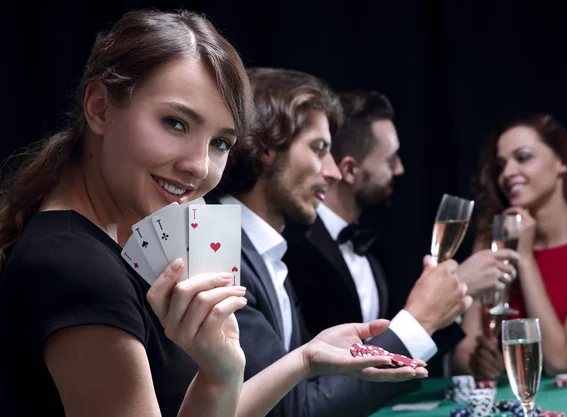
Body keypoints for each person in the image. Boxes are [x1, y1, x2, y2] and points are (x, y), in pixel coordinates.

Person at [0, 10, 427, 417]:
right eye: (176, 123)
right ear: (99, 107)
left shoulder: (99, 243)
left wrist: (302, 361)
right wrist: (220, 375)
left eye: (221, 143)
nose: (200, 167)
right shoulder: (77, 268)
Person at [210, 68, 470, 417]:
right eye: (319, 149)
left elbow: (308, 388)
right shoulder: (217, 250)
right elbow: (292, 410)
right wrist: (418, 321)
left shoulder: (264, 251)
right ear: (267, 146)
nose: (332, 172)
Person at [282, 90, 518, 376]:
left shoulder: (371, 248)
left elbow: (395, 341)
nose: (400, 169)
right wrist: (459, 282)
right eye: (390, 159)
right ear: (350, 170)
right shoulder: (292, 249)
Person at [454, 112, 567, 378]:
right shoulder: (491, 241)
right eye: (501, 165)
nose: (507, 174)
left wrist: (526, 260)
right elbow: (466, 343)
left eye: (523, 157)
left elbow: (560, 360)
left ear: (562, 162)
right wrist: (476, 362)